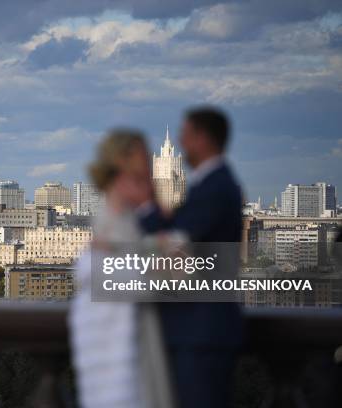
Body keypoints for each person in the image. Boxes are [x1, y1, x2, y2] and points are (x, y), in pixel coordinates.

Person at [137, 107, 243, 408]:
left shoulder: (214, 188)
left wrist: (145, 204)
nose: (181, 145)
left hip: (203, 332)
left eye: (186, 136)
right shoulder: (212, 184)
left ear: (203, 139)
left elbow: (175, 242)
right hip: (202, 330)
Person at [69, 129, 175, 408]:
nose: (152, 180)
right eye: (142, 174)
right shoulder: (116, 230)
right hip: (122, 379)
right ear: (120, 174)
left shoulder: (126, 226)